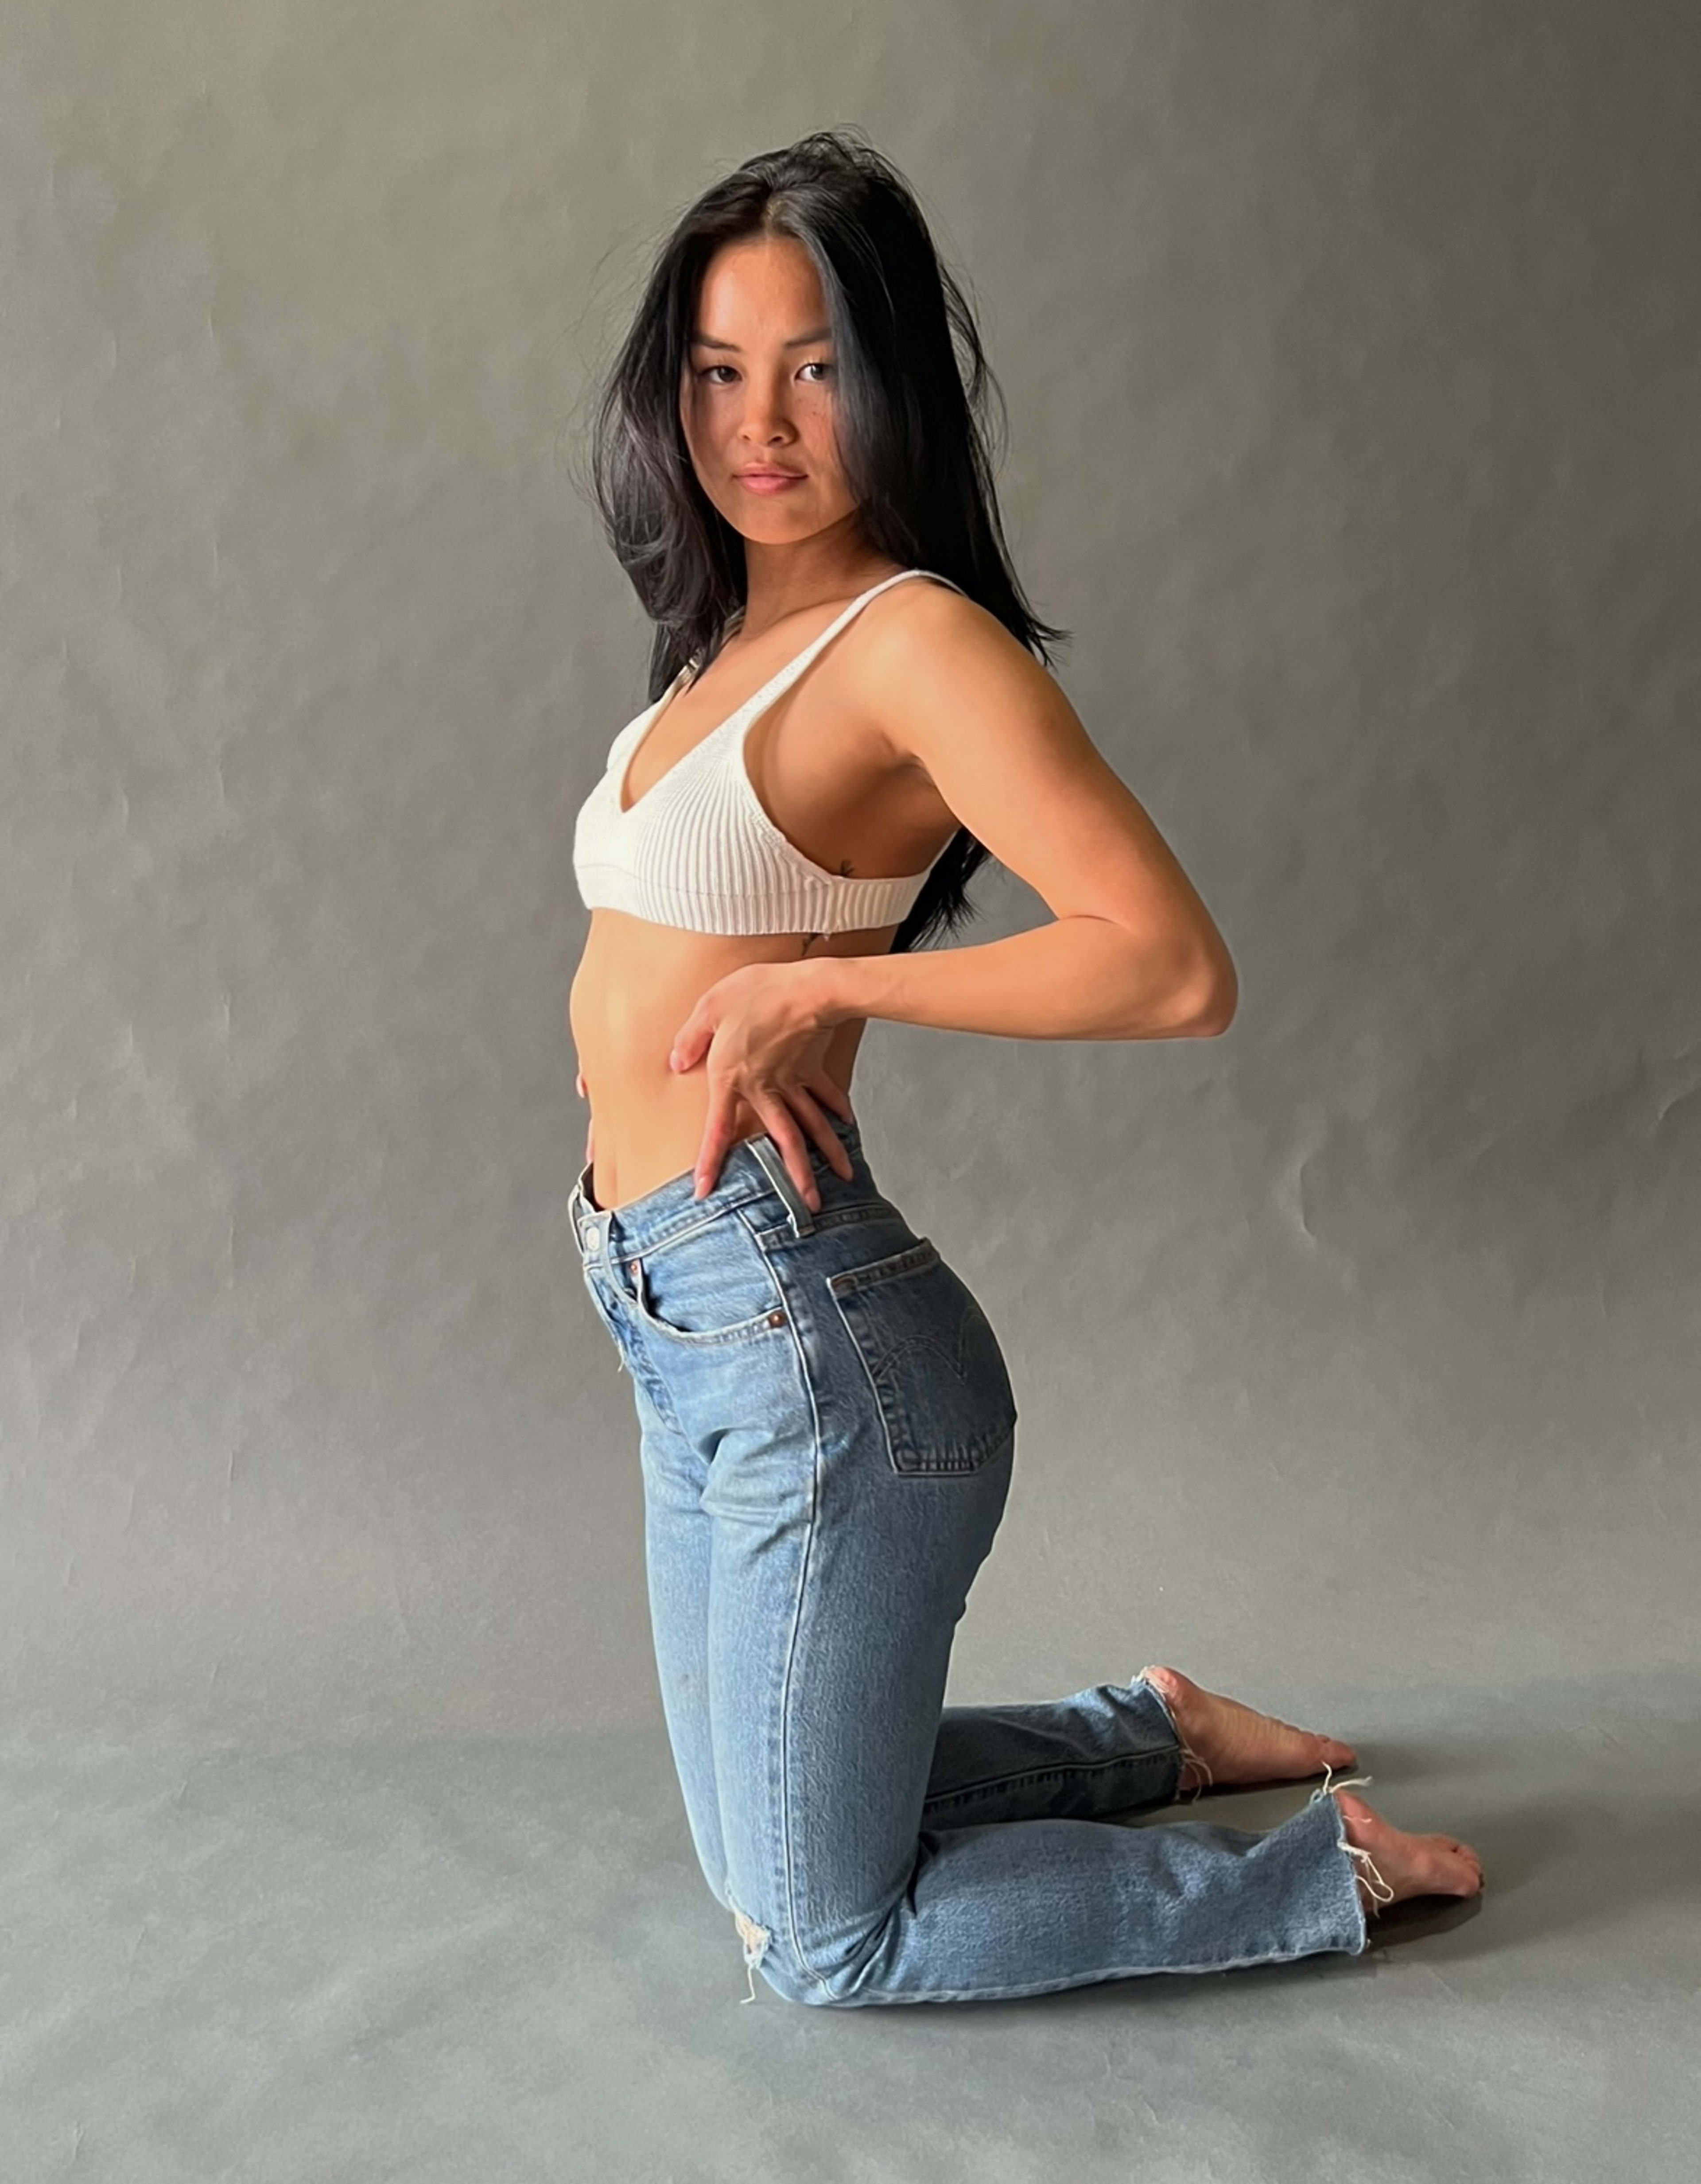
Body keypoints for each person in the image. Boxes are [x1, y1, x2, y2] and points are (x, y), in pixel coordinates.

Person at [564, 129, 1482, 2007]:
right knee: (761, 1847)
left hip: (806, 1340)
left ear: (886, 375)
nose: (761, 422)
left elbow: (1171, 966)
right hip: (671, 1315)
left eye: (814, 365)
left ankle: (1324, 1874)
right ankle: (1148, 1734)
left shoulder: (914, 645)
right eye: (721, 370)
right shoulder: (726, 644)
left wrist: (842, 999)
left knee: (819, 1940)